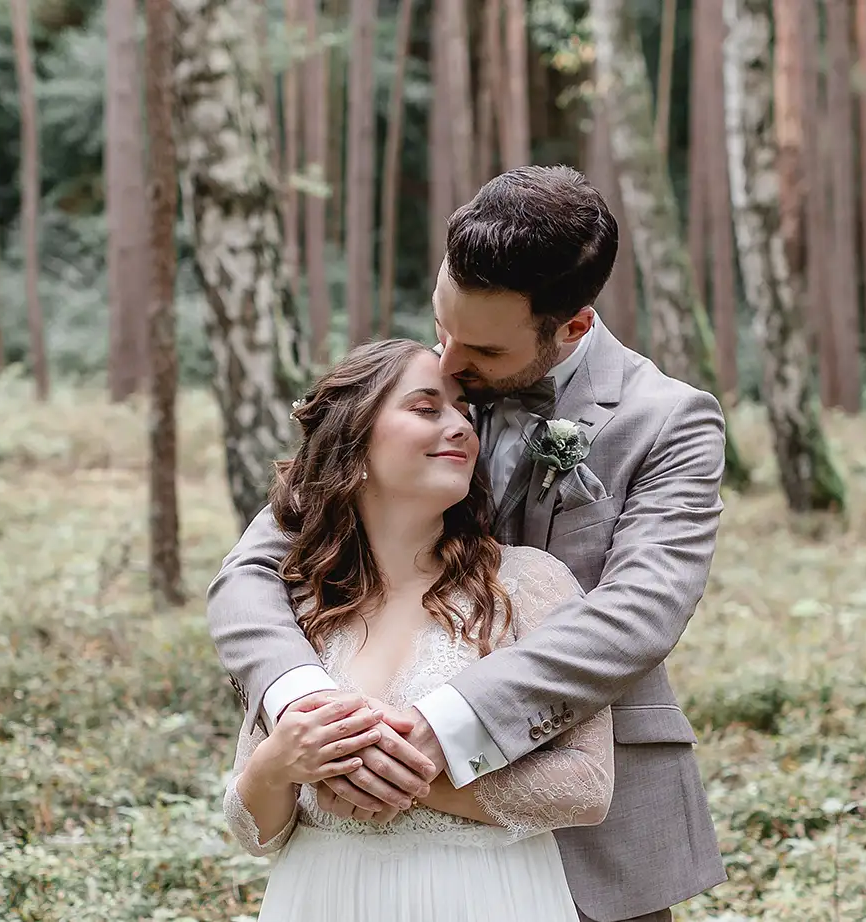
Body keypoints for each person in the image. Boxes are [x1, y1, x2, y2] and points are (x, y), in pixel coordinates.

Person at [211, 164, 727, 922]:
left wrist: (446, 726)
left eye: (480, 351)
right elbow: (251, 569)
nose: (450, 364)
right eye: (441, 324)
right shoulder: (414, 396)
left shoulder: (669, 422)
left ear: (573, 326)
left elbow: (640, 612)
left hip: (591, 828)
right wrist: (306, 707)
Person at [221, 338, 612, 921]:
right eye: (427, 409)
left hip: (486, 897)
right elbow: (254, 833)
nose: (459, 425)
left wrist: (398, 778)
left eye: (463, 410)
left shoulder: (529, 583)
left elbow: (588, 785)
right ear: (352, 442)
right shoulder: (301, 601)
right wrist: (278, 762)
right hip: (324, 896)